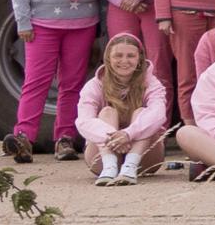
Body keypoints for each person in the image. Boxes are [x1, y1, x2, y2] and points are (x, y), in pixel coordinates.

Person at [8, 0, 111, 163]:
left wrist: (103, 26)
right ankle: (23, 137)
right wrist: (23, 21)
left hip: (82, 25)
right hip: (42, 26)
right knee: (36, 81)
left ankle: (65, 139)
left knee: (72, 84)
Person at [71, 33, 167, 185]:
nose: (124, 61)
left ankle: (130, 166)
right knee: (107, 112)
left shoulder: (152, 83)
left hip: (144, 159)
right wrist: (114, 138)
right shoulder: (94, 85)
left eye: (130, 56)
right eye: (118, 55)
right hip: (102, 156)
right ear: (108, 58)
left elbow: (158, 114)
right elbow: (83, 120)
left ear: (139, 59)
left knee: (142, 113)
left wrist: (128, 134)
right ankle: (110, 167)